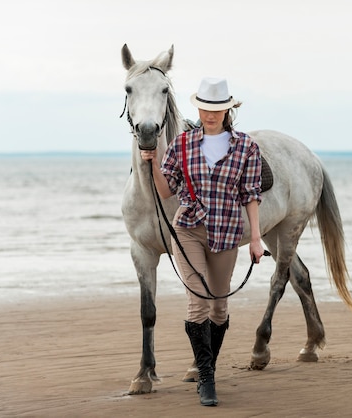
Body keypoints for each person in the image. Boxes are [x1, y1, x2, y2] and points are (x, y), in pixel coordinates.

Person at [140, 77, 265, 406]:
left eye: (217, 109)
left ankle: (206, 363)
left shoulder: (246, 147)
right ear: (198, 107)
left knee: (219, 306)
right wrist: (153, 163)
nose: (210, 115)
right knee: (198, 300)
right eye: (205, 108)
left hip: (226, 233)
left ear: (227, 109)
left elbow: (250, 196)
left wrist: (255, 238)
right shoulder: (182, 144)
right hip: (188, 229)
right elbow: (166, 190)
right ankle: (206, 377)